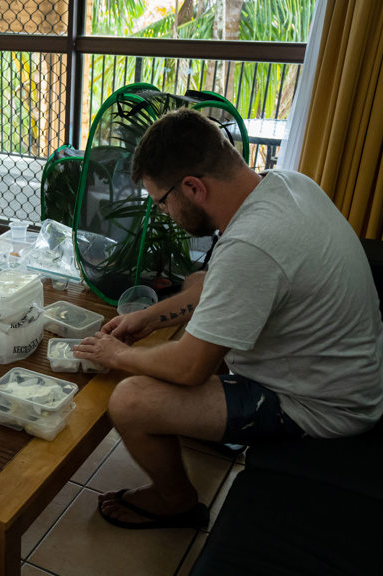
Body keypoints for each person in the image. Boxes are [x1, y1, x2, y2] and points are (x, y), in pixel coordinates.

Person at [74, 108, 383, 530]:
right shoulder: (288, 183)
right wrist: (149, 317)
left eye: (161, 201)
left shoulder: (252, 245)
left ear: (193, 187)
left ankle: (175, 502)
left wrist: (116, 355)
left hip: (325, 407)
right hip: (349, 373)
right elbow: (217, 287)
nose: (164, 213)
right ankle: (213, 427)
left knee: (131, 402)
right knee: (200, 280)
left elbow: (189, 368)